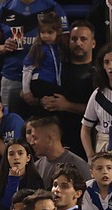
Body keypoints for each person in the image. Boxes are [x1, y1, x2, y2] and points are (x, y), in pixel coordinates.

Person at [0, 0, 69, 118]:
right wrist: (3, 47)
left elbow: (66, 44)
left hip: (45, 82)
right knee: (10, 125)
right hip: (12, 77)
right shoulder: (5, 8)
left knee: (44, 126)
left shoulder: (52, 7)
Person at [40, 20, 98, 162]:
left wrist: (67, 106)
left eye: (83, 39)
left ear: (93, 43)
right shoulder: (57, 68)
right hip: (58, 138)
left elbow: (99, 111)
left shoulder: (98, 74)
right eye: (74, 39)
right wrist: (41, 101)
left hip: (86, 139)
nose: (78, 43)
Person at [0, 139, 44, 210]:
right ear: (7, 158)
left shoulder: (36, 181)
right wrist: (12, 181)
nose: (16, 157)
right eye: (11, 154)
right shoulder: (0, 180)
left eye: (20, 153)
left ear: (28, 158)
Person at [30, 116, 91, 187]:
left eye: (35, 138)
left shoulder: (79, 166)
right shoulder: (36, 166)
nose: (32, 143)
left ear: (49, 138)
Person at [22, 11, 67, 105]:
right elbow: (27, 69)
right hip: (40, 82)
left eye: (50, 32)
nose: (46, 35)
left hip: (53, 83)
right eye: (42, 32)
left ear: (58, 31)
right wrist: (26, 90)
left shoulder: (59, 48)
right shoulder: (38, 48)